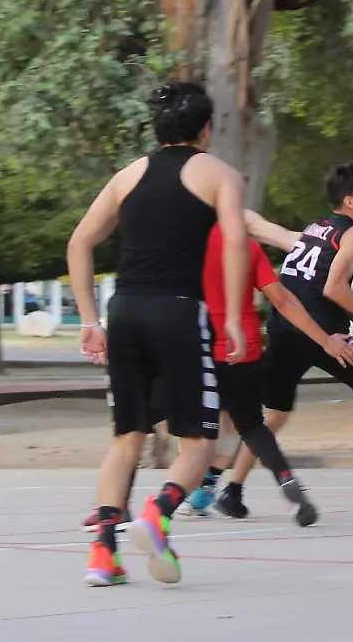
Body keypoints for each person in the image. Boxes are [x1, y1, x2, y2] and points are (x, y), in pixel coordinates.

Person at [67, 82, 247, 588]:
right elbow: (235, 242)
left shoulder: (128, 176)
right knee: (198, 442)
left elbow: (79, 242)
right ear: (206, 129)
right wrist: (232, 316)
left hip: (123, 310)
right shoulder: (219, 174)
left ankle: (103, 555)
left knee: (126, 439)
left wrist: (89, 321)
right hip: (178, 310)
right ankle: (158, 513)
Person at [227, 165, 353, 513]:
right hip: (321, 332)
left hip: (283, 327)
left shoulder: (315, 229)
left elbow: (315, 282)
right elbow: (333, 288)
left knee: (272, 416)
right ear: (350, 201)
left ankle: (231, 492)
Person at [183, 219, 353, 525]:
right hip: (247, 346)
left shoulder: (189, 248)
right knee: (248, 425)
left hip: (207, 344)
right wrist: (325, 340)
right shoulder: (248, 248)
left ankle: (169, 500)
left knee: (195, 429)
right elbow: (282, 299)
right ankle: (281, 480)